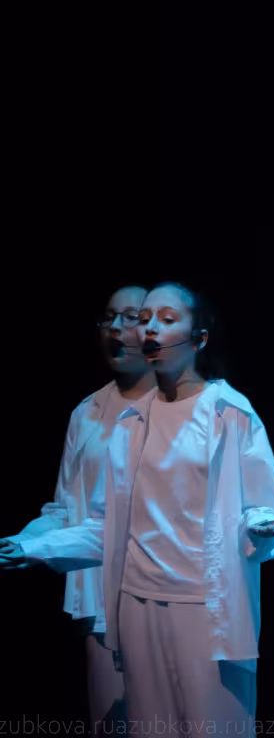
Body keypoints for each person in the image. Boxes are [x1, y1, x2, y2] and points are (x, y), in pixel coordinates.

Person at [2, 282, 274, 734]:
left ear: (198, 338)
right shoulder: (130, 422)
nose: (150, 329)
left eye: (167, 319)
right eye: (145, 320)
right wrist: (35, 548)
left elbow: (264, 508)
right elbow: (107, 528)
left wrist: (262, 527)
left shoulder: (228, 412)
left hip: (203, 605)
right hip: (136, 603)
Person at [0, 285, 155, 735]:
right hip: (97, 593)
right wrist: (25, 543)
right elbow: (65, 508)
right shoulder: (87, 412)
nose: (116, 329)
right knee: (110, 726)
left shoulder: (179, 410)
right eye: (109, 318)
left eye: (130, 317)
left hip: (162, 589)